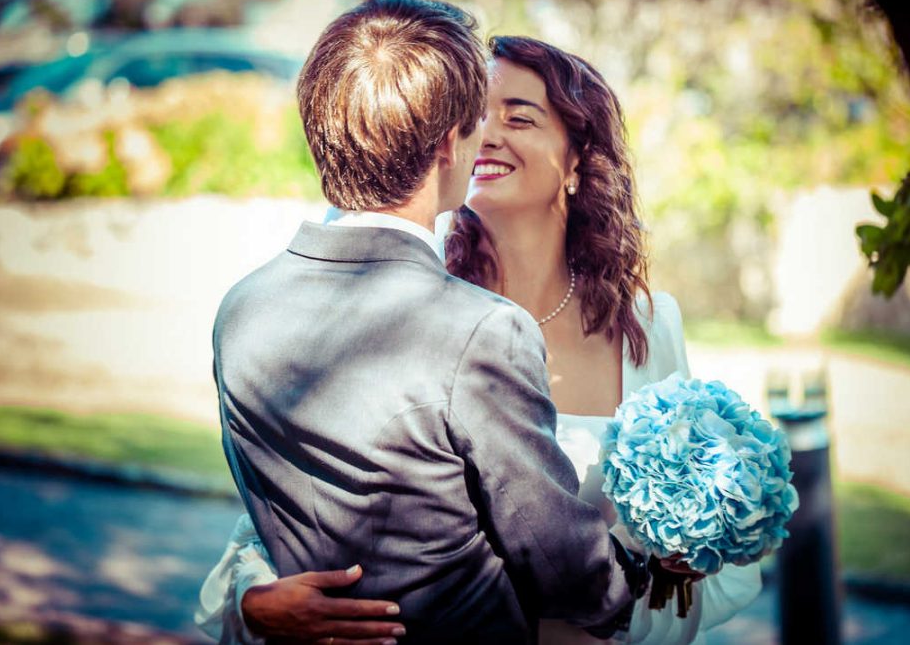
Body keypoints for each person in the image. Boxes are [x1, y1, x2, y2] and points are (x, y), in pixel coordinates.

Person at [199, 33, 763, 644]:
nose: (484, 134)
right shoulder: (401, 303)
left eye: (518, 117)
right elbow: (303, 497)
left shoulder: (650, 326)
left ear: (577, 160)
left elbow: (692, 522)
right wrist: (251, 598)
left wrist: (688, 549)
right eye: (474, 116)